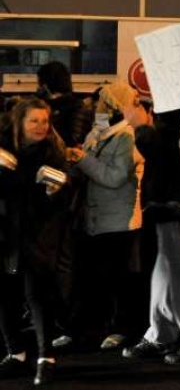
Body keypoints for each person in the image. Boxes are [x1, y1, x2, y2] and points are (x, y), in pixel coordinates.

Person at [121, 107, 180, 366]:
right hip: (170, 206)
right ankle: (162, 332)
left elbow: (169, 154)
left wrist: (142, 128)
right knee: (164, 275)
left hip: (178, 206)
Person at [68, 80, 146, 351]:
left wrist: (82, 160)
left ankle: (122, 328)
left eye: (103, 100)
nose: (96, 105)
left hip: (118, 221)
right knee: (95, 276)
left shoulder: (126, 136)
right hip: (95, 219)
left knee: (119, 277)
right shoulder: (100, 130)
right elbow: (89, 158)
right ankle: (91, 326)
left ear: (115, 105)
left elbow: (114, 177)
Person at [0, 98, 71, 385]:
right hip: (5, 235)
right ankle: (15, 353)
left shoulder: (53, 153)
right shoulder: (4, 148)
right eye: (35, 121)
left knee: (38, 297)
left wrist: (58, 188)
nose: (42, 126)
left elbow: (56, 200)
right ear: (20, 122)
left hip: (38, 236)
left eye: (45, 121)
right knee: (5, 296)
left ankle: (46, 358)